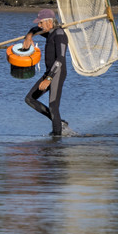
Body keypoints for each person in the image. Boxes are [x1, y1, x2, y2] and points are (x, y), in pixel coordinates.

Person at [19, 8, 76, 137]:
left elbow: (60, 59)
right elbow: (34, 29)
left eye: (41, 23)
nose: (39, 25)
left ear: (49, 22)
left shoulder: (60, 34)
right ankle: (59, 122)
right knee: (29, 99)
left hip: (57, 73)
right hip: (49, 73)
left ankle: (57, 137)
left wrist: (49, 78)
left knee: (53, 105)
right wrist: (29, 36)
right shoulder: (50, 32)